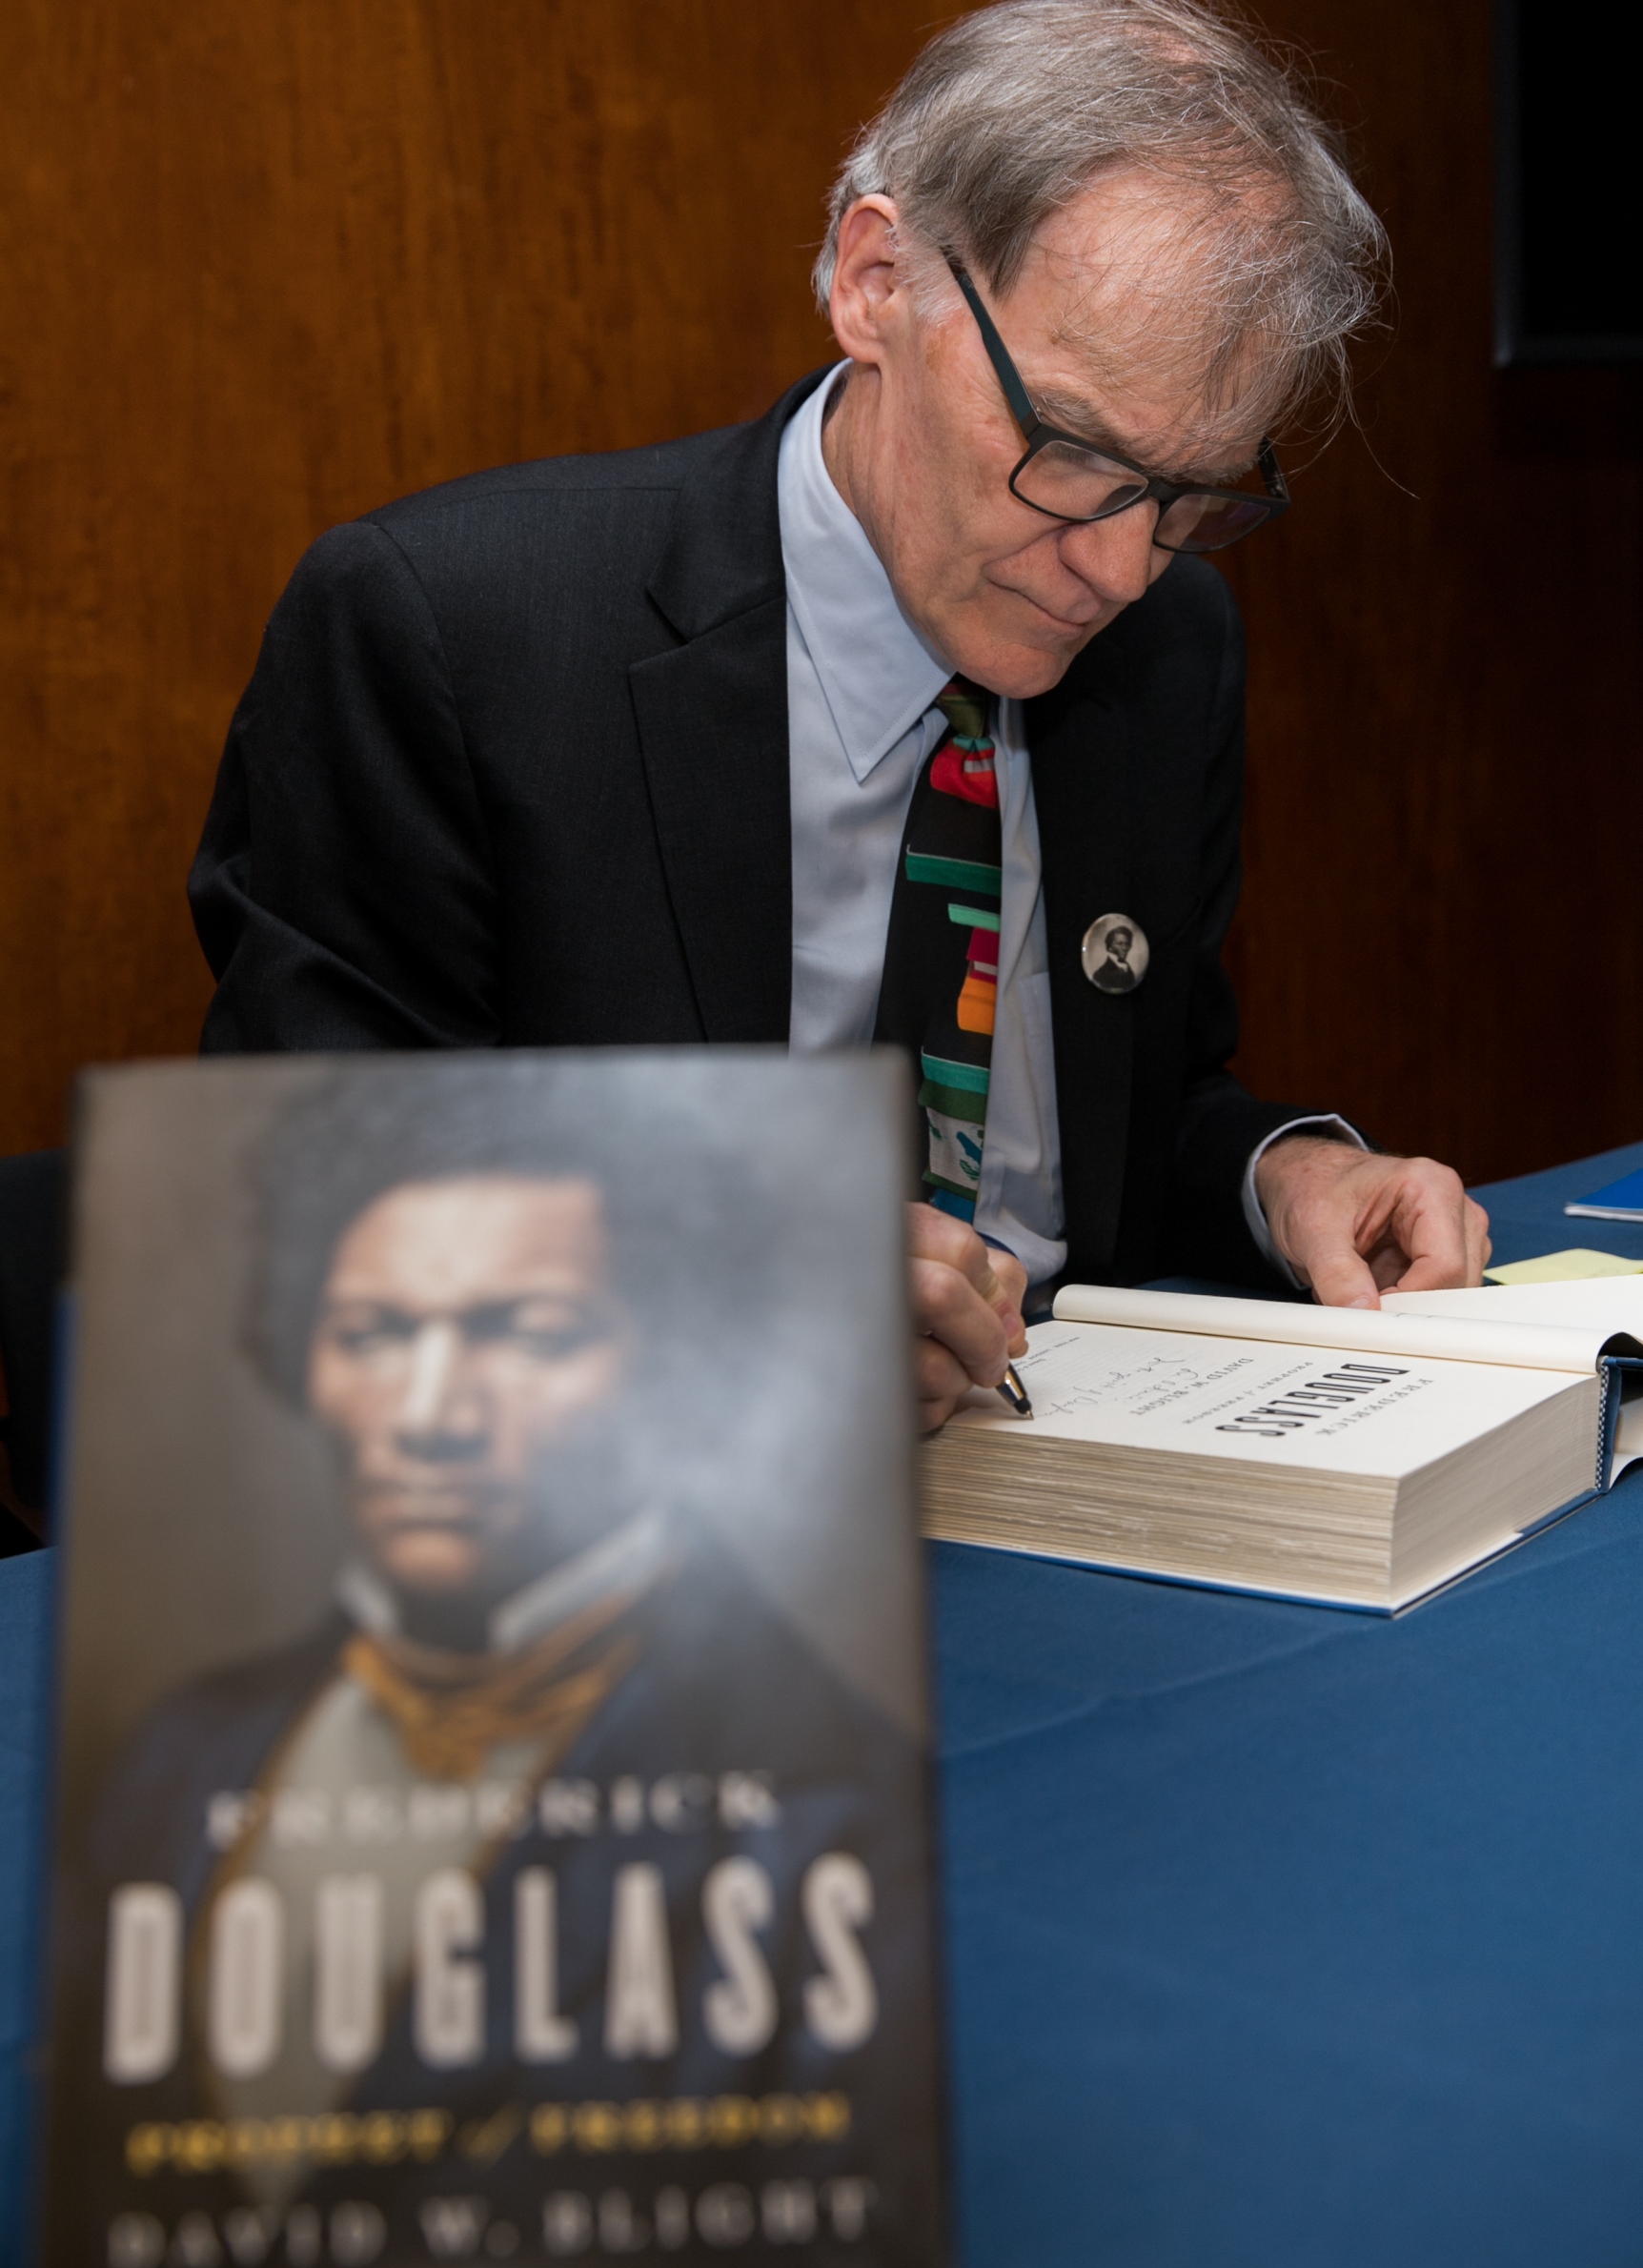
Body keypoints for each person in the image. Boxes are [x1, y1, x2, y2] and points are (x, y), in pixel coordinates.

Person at [188, 0, 1491, 1438]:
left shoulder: (1173, 644)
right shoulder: (451, 632)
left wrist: (1279, 1173)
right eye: (1069, 453)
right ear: (878, 284)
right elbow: (307, 1215)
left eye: (1193, 496)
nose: (1121, 568)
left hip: (1075, 1472)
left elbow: (1118, 1114)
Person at [47, 1070, 941, 2268]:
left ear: (679, 1359)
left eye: (524, 1333)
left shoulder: (834, 1802)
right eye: (372, 1334)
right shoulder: (178, 1750)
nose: (429, 1417)